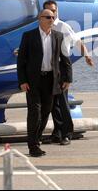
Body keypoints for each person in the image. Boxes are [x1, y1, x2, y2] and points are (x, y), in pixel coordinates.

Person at [17, 9, 73, 157]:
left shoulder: (58, 36)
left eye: (53, 17)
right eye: (48, 17)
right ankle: (33, 146)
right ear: (39, 19)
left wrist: (68, 78)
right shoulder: (29, 36)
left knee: (46, 112)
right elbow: (21, 60)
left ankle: (36, 139)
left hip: (51, 80)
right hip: (33, 80)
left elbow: (65, 58)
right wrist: (22, 81)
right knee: (34, 113)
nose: (51, 19)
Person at [43, 0, 94, 145]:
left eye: (54, 10)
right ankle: (57, 133)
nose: (51, 13)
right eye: (48, 11)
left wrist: (87, 56)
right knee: (52, 104)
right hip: (47, 67)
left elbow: (78, 41)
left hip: (61, 66)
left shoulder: (63, 26)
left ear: (57, 10)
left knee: (63, 102)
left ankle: (67, 133)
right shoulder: (42, 27)